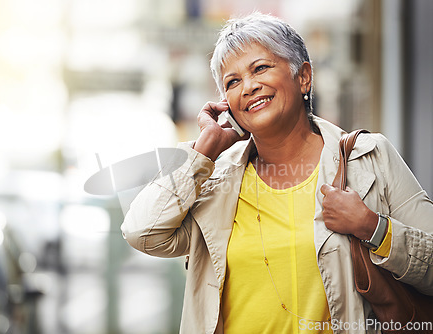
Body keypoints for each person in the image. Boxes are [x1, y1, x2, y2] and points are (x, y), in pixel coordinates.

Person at [121, 12, 433, 334]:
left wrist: (373, 228)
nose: (249, 86)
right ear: (226, 103)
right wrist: (204, 150)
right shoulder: (215, 183)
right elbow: (141, 232)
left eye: (261, 68)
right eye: (233, 82)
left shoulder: (367, 158)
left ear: (304, 77)